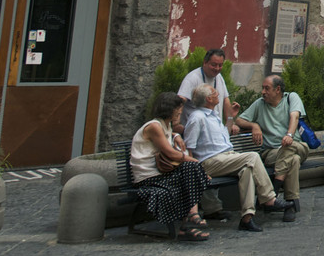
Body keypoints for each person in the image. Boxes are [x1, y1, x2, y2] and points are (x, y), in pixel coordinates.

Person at [183, 82, 295, 229]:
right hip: (209, 162)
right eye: (214, 93)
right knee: (252, 157)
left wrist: (231, 117)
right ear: (208, 99)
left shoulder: (214, 116)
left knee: (247, 170)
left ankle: (247, 218)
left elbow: (224, 136)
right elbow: (189, 147)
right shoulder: (197, 117)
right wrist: (196, 170)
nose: (218, 94)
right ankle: (269, 199)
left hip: (225, 157)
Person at [130, 92, 214, 242]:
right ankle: (189, 220)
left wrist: (176, 135)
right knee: (191, 168)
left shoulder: (166, 126)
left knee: (190, 171)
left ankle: (188, 222)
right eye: (178, 111)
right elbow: (170, 153)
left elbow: (169, 140)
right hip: (148, 177)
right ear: (170, 109)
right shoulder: (154, 127)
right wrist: (196, 163)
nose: (180, 114)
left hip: (161, 174)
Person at [233, 74, 309, 211]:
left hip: (298, 146)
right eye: (262, 88)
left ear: (277, 89)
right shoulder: (259, 104)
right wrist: (254, 126)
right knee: (294, 160)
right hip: (271, 152)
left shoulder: (291, 98)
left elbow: (295, 116)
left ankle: (272, 192)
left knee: (289, 147)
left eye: (266, 88)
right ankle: (290, 205)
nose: (263, 92)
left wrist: (289, 135)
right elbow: (239, 120)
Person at [177, 47, 237, 120]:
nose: (217, 68)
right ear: (205, 62)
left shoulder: (219, 77)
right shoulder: (192, 78)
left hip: (215, 126)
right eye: (214, 65)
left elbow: (225, 99)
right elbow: (180, 100)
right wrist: (176, 123)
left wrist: (230, 121)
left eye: (220, 65)